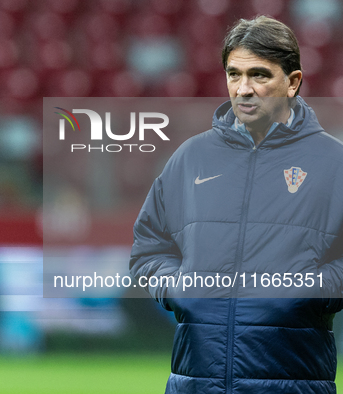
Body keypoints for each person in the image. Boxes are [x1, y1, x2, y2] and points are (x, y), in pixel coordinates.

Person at [130, 16, 343, 393]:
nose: (244, 89)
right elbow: (149, 248)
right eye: (234, 74)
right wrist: (179, 289)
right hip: (195, 382)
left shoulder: (333, 162)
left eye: (259, 75)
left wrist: (309, 290)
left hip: (293, 383)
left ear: (293, 82)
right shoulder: (190, 157)